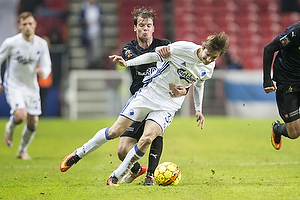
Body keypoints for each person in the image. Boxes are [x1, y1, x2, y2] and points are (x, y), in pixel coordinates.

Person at [60, 31, 229, 186]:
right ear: (203, 47)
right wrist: (128, 63)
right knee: (114, 132)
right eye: (207, 55)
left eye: (213, 58)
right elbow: (152, 56)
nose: (208, 60)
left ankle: (116, 176)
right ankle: (78, 154)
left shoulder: (209, 67)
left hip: (169, 104)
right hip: (150, 93)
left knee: (147, 139)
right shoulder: (182, 48)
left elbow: (199, 84)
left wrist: (198, 109)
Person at [116, 7, 189, 186]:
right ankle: (136, 170)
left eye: (148, 25)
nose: (145, 29)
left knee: (153, 135)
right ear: (135, 28)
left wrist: (184, 90)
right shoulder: (128, 49)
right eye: (141, 25)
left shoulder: (165, 44)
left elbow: (183, 70)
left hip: (161, 100)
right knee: (122, 151)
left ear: (154, 28)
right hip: (140, 100)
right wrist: (160, 56)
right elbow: (142, 63)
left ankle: (150, 175)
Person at [0, 11, 52, 160]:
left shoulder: (41, 44)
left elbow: (47, 64)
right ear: (19, 26)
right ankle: (10, 128)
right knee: (21, 115)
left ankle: (22, 150)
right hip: (14, 84)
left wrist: (44, 72)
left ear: (35, 24)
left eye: (30, 23)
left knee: (33, 121)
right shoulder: (11, 43)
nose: (28, 27)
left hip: (31, 87)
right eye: (24, 24)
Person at [263, 21, 300, 150]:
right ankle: (278, 128)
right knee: (294, 133)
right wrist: (267, 80)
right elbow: (269, 49)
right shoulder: (294, 32)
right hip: (287, 79)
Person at [80, 0, 103, 68]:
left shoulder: (98, 7)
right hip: (86, 33)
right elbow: (79, 19)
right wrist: (84, 22)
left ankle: (94, 65)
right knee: (87, 51)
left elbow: (103, 17)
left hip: (96, 32)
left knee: (96, 52)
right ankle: (89, 66)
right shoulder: (83, 7)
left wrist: (101, 19)